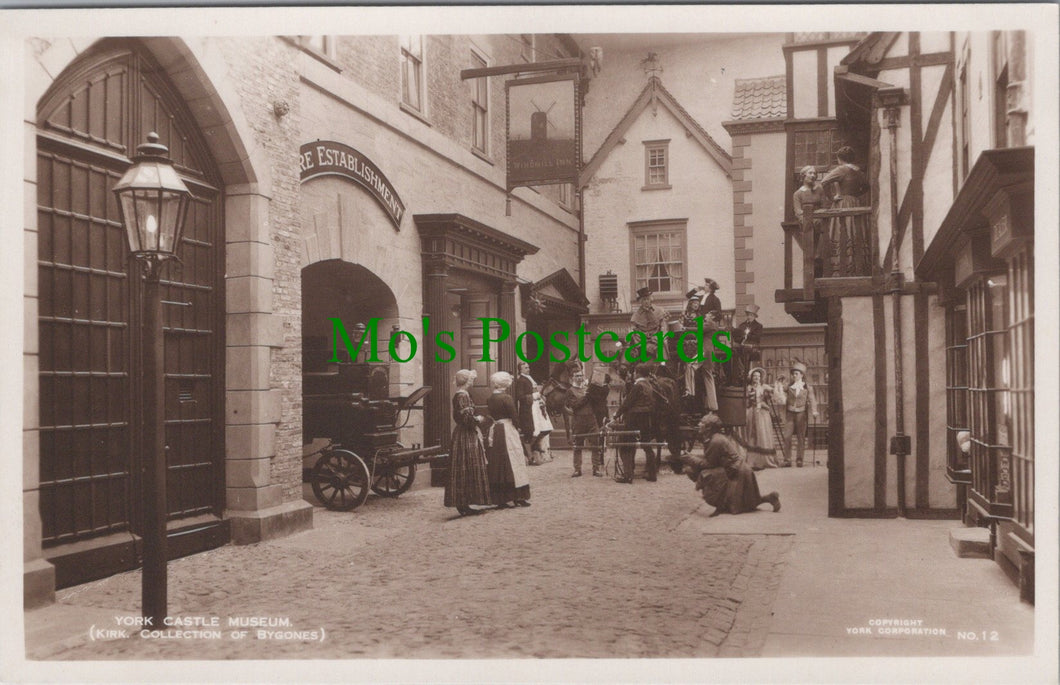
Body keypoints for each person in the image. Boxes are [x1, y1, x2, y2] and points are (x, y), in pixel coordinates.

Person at [681, 414, 780, 516]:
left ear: (709, 427)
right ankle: (770, 498)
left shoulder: (716, 441)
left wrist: (690, 458)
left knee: (707, 475)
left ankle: (721, 505)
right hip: (736, 470)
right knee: (747, 502)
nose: (699, 424)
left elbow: (709, 464)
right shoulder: (715, 438)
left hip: (737, 472)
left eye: (702, 422)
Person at [443, 369, 492, 516]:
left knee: (465, 467)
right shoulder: (463, 396)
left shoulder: (460, 395)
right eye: (471, 380)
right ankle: (463, 503)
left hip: (463, 434)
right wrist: (479, 419)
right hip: (466, 434)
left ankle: (464, 503)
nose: (472, 382)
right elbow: (466, 418)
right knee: (467, 466)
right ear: (466, 381)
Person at [820, 146, 871, 275]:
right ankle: (856, 266)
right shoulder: (858, 170)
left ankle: (843, 268)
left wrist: (832, 198)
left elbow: (824, 181)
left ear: (839, 159)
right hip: (855, 203)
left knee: (842, 231)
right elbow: (866, 187)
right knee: (854, 231)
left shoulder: (841, 169)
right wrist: (855, 196)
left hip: (842, 203)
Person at [485, 371, 531, 508]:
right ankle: (519, 496)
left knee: (499, 463)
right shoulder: (507, 398)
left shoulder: (491, 398)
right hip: (508, 429)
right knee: (515, 460)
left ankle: (502, 498)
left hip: (497, 430)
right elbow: (514, 416)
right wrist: (519, 428)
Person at [614, 363, 659, 483]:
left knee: (625, 445)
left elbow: (628, 402)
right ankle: (652, 475)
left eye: (635, 372)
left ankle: (627, 476)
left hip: (634, 419)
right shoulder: (649, 385)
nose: (633, 374)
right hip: (646, 419)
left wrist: (616, 414)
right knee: (647, 446)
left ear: (638, 372)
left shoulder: (638, 386)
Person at [792, 165, 832, 277]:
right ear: (803, 176)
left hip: (821, 226)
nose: (813, 175)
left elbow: (825, 206)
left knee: (822, 256)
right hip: (808, 228)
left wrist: (819, 217)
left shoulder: (819, 189)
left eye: (814, 173)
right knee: (811, 256)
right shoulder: (798, 194)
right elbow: (798, 212)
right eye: (810, 173)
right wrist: (809, 222)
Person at [565, 369, 603, 477]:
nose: (579, 377)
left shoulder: (587, 389)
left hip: (591, 419)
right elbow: (575, 406)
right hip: (578, 420)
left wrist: (595, 393)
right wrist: (586, 396)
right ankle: (577, 469)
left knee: (595, 444)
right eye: (576, 376)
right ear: (572, 378)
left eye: (581, 375)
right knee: (578, 445)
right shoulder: (570, 391)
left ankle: (596, 469)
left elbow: (597, 403)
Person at [514, 360, 551, 465]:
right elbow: (519, 397)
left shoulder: (529, 378)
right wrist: (534, 396)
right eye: (526, 368)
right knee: (530, 432)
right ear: (520, 370)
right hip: (528, 410)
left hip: (537, 408)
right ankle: (530, 456)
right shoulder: (521, 380)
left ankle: (534, 450)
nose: (528, 369)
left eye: (528, 367)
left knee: (545, 429)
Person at [782, 361, 818, 467]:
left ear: (802, 375)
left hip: (801, 414)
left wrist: (814, 411)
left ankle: (799, 459)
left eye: (796, 373)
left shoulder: (807, 387)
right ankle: (787, 459)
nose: (794, 375)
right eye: (793, 374)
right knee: (787, 436)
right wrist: (779, 383)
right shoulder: (789, 386)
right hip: (789, 414)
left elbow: (812, 400)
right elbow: (779, 393)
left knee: (801, 437)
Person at [744, 367, 780, 469]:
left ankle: (765, 460)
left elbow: (775, 392)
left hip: (763, 413)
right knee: (752, 434)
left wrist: (776, 386)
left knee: (762, 433)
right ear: (751, 377)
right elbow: (746, 401)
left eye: (758, 376)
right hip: (751, 411)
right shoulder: (748, 387)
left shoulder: (764, 386)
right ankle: (752, 460)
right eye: (755, 376)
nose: (757, 378)